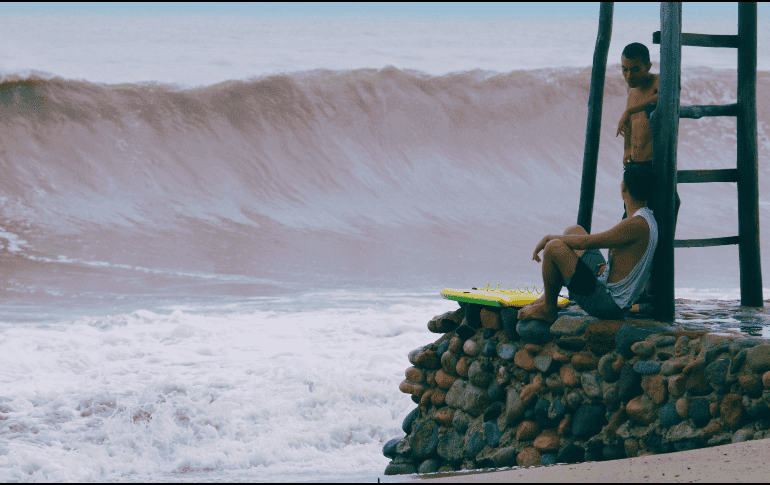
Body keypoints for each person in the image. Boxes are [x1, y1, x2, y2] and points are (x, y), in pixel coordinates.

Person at [516, 163, 658, 323]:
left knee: (553, 248)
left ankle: (548, 310)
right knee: (574, 230)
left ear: (623, 188)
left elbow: (587, 242)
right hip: (607, 287)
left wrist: (549, 238)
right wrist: (610, 270)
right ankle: (548, 298)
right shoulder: (646, 218)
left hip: (608, 305)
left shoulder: (636, 224)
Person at [616, 42, 680, 306]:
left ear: (649, 66)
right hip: (636, 165)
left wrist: (629, 110)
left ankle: (653, 280)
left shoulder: (657, 83)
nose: (629, 76)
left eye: (634, 69)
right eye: (624, 69)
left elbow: (665, 98)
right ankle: (628, 282)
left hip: (656, 165)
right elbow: (630, 127)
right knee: (630, 222)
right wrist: (626, 150)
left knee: (666, 209)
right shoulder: (632, 90)